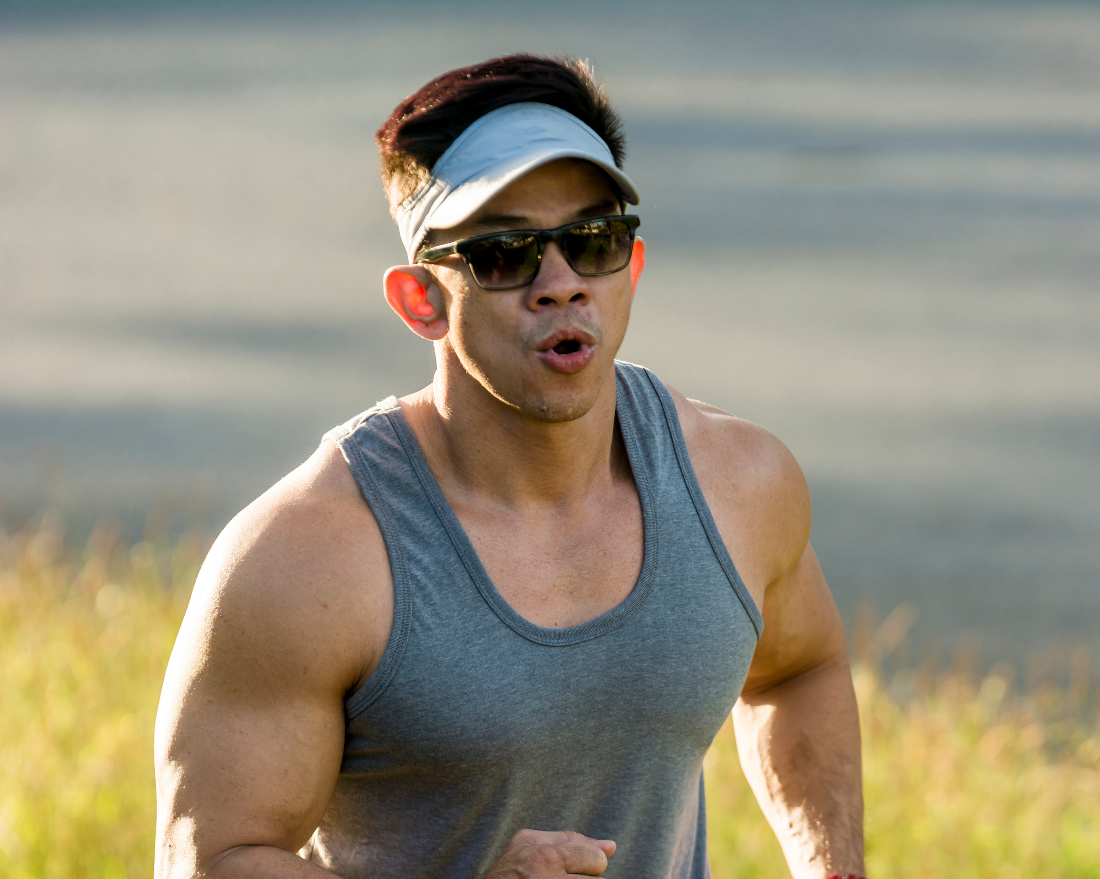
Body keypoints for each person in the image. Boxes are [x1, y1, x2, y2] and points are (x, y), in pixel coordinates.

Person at [154, 55, 865, 879]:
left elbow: (799, 669)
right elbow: (208, 861)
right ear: (421, 298)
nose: (560, 284)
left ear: (630, 267)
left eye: (592, 240)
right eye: (504, 253)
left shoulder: (739, 483)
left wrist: (831, 866)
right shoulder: (307, 558)